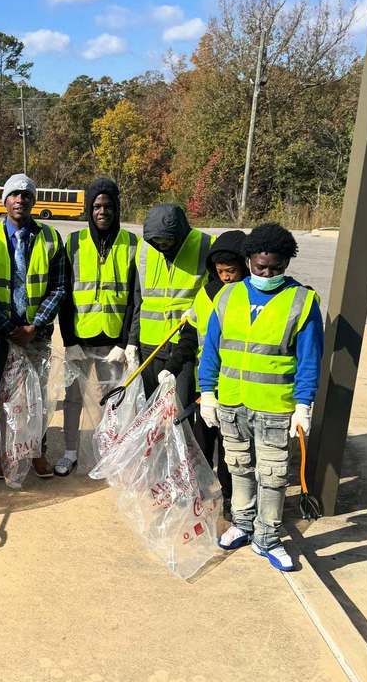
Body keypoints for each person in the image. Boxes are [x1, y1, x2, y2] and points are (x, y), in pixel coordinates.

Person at [198, 223, 323, 572]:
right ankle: (242, 523)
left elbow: (309, 359)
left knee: (272, 475)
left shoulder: (302, 301)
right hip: (232, 402)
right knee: (237, 467)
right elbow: (212, 350)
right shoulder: (227, 296)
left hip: (274, 406)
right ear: (249, 260)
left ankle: (267, 537)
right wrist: (207, 391)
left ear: (286, 262)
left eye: (276, 267)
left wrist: (303, 404)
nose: (267, 273)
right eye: (260, 267)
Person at [0, 173, 67, 480]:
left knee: (36, 396)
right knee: (5, 396)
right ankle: (4, 452)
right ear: (5, 201)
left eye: (26, 195)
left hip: (36, 336)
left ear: (32, 201)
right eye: (14, 195)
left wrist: (34, 326)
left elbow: (59, 287)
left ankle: (37, 451)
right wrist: (9, 328)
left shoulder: (51, 238)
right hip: (3, 337)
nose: (20, 200)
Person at [55, 177, 137, 476]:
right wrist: (68, 340)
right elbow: (64, 294)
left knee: (112, 398)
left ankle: (109, 451)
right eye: (97, 206)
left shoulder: (131, 243)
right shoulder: (74, 242)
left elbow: (133, 298)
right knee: (73, 398)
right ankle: (70, 451)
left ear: (116, 208)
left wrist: (126, 341)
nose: (102, 211)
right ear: (89, 209)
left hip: (113, 340)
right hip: (80, 339)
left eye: (108, 206)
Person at [163, 229, 248, 508]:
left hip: (237, 388)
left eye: (231, 270)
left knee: (230, 449)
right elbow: (189, 337)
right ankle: (199, 492)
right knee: (200, 443)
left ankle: (229, 497)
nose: (226, 276)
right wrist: (173, 367)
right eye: (220, 270)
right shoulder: (206, 294)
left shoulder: (250, 295)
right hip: (207, 387)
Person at [128, 204, 212, 407]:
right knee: (151, 408)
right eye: (157, 241)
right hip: (150, 343)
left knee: (180, 408)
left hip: (185, 344)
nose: (162, 245)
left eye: (168, 240)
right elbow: (138, 298)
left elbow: (218, 293)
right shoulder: (144, 249)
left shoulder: (205, 245)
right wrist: (132, 340)